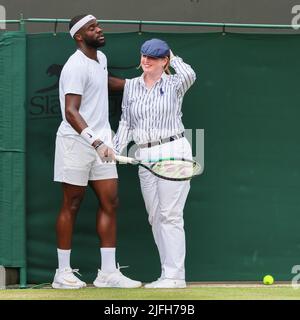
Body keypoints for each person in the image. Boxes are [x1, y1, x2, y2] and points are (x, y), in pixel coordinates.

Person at [52, 14, 141, 289]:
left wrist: (137, 85)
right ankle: (62, 273)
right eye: (92, 28)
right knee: (73, 203)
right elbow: (70, 111)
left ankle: (107, 273)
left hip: (101, 142)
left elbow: (104, 83)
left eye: (99, 25)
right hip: (76, 143)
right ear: (80, 36)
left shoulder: (100, 60)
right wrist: (96, 141)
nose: (99, 30)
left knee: (110, 201)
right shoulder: (74, 66)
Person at [113, 38, 196, 288]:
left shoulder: (175, 83)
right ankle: (166, 274)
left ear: (164, 61)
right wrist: (115, 150)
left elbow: (190, 73)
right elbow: (126, 121)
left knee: (171, 215)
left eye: (153, 57)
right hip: (144, 155)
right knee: (155, 217)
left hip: (174, 150)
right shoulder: (132, 86)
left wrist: (172, 52)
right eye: (144, 56)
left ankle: (175, 276)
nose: (146, 61)